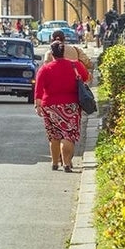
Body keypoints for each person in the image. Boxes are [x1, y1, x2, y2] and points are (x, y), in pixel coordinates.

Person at [34, 39, 89, 172]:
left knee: (54, 135)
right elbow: (86, 77)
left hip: (50, 106)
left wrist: (38, 105)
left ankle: (54, 162)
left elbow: (38, 89)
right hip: (71, 105)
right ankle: (67, 162)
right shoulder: (75, 65)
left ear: (52, 54)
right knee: (68, 135)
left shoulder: (45, 69)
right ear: (63, 52)